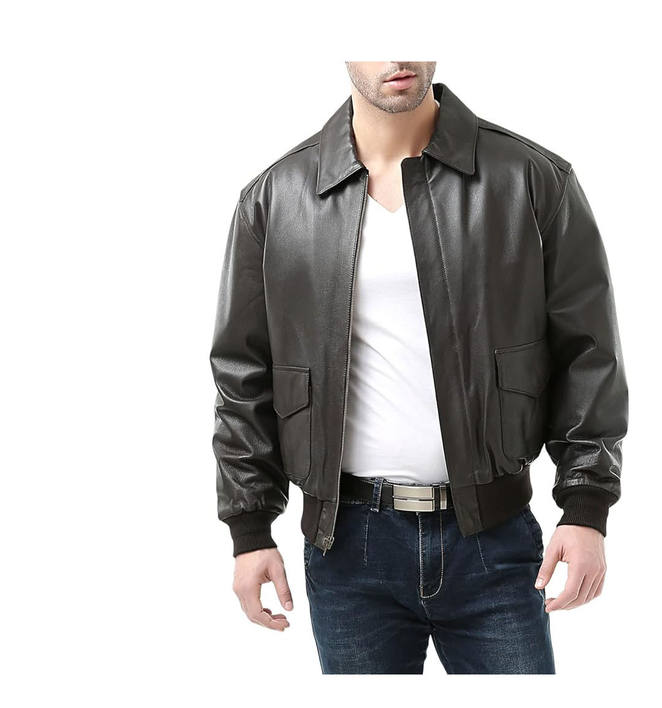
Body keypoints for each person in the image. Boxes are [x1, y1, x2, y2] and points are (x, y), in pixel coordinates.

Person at [209, 62, 629, 674]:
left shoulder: (531, 179)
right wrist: (249, 530)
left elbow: (589, 352)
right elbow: (242, 374)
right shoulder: (276, 198)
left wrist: (586, 507)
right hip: (347, 547)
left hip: (494, 539)